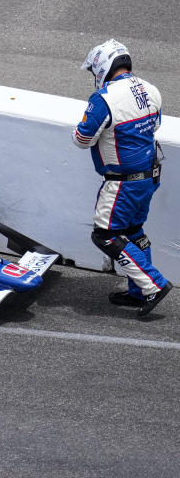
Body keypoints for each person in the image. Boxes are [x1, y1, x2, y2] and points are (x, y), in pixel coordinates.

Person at [73, 39, 171, 317]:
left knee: (105, 235)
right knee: (133, 231)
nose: (94, 77)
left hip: (123, 181)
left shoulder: (103, 99)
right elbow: (155, 124)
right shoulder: (151, 89)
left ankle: (153, 284)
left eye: (94, 71)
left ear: (103, 66)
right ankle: (138, 291)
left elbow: (82, 138)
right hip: (149, 176)